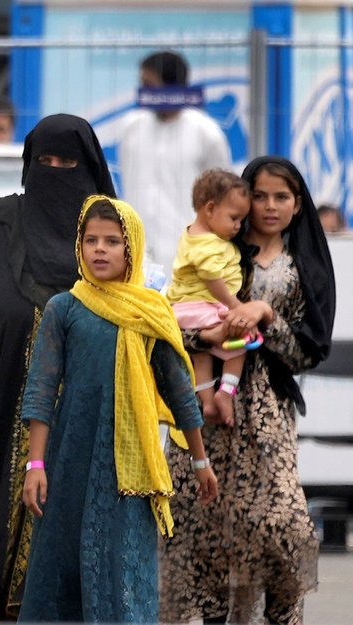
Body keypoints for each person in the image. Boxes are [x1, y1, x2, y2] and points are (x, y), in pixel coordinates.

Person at [0, 113, 116, 620]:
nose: (57, 172)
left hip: (84, 418)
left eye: (70, 163)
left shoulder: (110, 236)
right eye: (46, 162)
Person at [17, 195, 218, 623]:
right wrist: (36, 463)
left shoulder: (150, 310)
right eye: (91, 240)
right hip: (69, 458)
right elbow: (41, 388)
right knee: (62, 566)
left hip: (129, 468)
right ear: (79, 246)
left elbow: (180, 392)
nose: (100, 250)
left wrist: (201, 459)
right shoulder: (64, 309)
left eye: (112, 241)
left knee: (121, 569)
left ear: (133, 248)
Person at [159, 156, 336, 625]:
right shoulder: (213, 248)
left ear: (298, 205)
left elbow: (307, 351)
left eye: (282, 197)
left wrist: (265, 315)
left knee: (283, 526)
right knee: (200, 528)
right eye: (259, 196)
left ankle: (280, 615)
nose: (269, 206)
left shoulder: (305, 267)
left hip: (265, 413)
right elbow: (172, 322)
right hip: (202, 409)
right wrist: (209, 338)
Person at [117, 50, 232, 271]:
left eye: (149, 84)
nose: (144, 91)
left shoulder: (205, 132)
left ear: (172, 86)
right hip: (137, 244)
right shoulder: (131, 127)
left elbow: (223, 194)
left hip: (188, 248)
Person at [167, 169, 251, 425]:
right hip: (204, 307)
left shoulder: (193, 235)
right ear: (210, 208)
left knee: (200, 357)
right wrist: (233, 303)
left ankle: (206, 401)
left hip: (184, 309)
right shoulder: (208, 244)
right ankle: (226, 392)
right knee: (242, 343)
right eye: (234, 218)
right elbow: (212, 278)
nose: (238, 226)